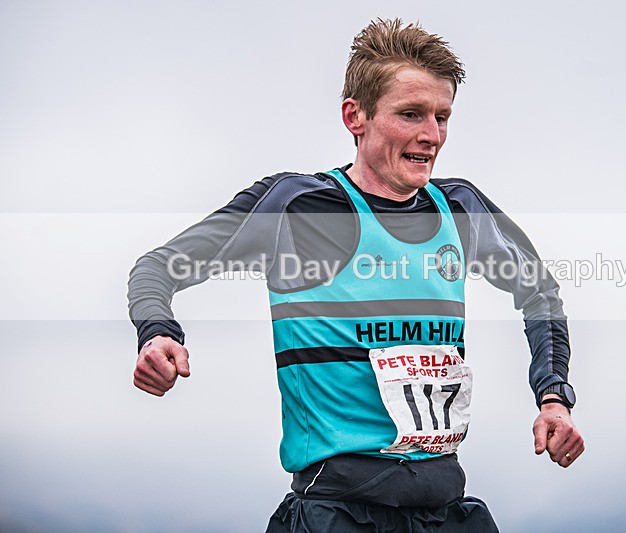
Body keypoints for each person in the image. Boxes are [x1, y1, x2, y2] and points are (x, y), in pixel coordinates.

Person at [128, 18, 584, 532]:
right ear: (355, 116)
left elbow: (540, 292)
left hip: (446, 509)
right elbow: (158, 268)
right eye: (411, 114)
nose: (431, 136)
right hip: (337, 512)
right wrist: (158, 333)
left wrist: (553, 397)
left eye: (442, 117)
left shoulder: (459, 209)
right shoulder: (299, 206)